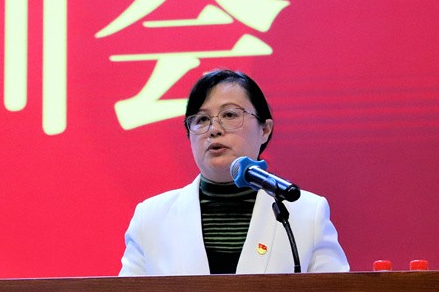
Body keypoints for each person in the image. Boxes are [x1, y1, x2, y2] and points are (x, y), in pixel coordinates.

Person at [119, 69, 348, 276]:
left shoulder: (307, 213)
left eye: (229, 115)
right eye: (201, 119)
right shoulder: (150, 218)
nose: (214, 130)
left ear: (265, 130)